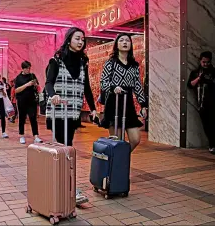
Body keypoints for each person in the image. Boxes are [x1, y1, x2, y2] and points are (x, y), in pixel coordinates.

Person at [45, 27, 97, 206]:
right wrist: (53, 95)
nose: (81, 42)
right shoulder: (56, 60)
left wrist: (93, 109)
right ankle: (68, 189)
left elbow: (87, 88)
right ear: (69, 40)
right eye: (77, 38)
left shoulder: (83, 62)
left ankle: (63, 186)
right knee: (65, 148)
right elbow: (48, 82)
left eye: (83, 39)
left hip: (73, 112)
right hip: (58, 112)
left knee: (66, 148)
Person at [100, 33, 148, 152]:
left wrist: (143, 105)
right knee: (117, 140)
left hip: (128, 104)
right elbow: (103, 82)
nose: (125, 42)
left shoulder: (134, 65)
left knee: (135, 139)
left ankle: (121, 158)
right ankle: (116, 165)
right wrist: (113, 87)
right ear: (117, 44)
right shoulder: (110, 63)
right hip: (114, 102)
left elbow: (137, 86)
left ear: (131, 44)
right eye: (121, 40)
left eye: (127, 40)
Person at [187, 51, 215, 154]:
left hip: (214, 102)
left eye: (207, 62)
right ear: (200, 61)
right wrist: (199, 78)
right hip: (201, 103)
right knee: (206, 125)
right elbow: (190, 85)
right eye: (204, 62)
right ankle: (212, 144)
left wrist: (210, 79)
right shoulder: (195, 72)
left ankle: (213, 145)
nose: (205, 64)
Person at [14, 61, 42, 144]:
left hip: (32, 100)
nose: (28, 70)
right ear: (23, 68)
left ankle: (36, 136)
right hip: (21, 101)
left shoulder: (32, 75)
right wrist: (27, 85)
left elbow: (38, 87)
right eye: (27, 68)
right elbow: (16, 90)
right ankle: (21, 135)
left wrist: (35, 85)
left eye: (29, 68)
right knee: (22, 118)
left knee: (33, 118)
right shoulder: (18, 78)